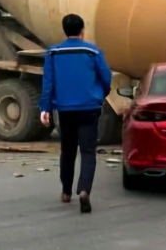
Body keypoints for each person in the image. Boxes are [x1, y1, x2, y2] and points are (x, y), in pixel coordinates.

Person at [38, 14, 112, 214]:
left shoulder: (54, 53)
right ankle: (84, 190)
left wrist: (45, 108)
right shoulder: (92, 51)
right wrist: (99, 95)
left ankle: (66, 191)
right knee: (88, 151)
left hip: (65, 109)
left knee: (68, 150)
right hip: (89, 108)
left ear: (65, 30)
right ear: (82, 30)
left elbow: (48, 82)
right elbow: (106, 77)